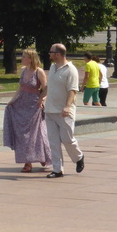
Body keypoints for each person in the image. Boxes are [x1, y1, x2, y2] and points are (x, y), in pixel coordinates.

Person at [2, 49, 52, 173]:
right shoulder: (24, 71)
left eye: (24, 56)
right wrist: (12, 101)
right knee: (22, 134)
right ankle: (27, 161)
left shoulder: (38, 71)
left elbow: (46, 88)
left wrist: (41, 100)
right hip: (21, 103)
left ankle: (42, 156)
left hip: (33, 105)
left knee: (35, 133)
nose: (21, 58)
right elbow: (21, 88)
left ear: (30, 58)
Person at [44, 43, 84, 178]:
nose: (49, 54)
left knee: (67, 139)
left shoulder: (71, 70)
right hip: (50, 110)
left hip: (64, 111)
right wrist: (41, 98)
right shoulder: (53, 67)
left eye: (51, 52)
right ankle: (57, 169)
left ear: (58, 54)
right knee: (53, 141)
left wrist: (67, 106)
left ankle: (78, 157)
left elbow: (73, 90)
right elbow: (49, 86)